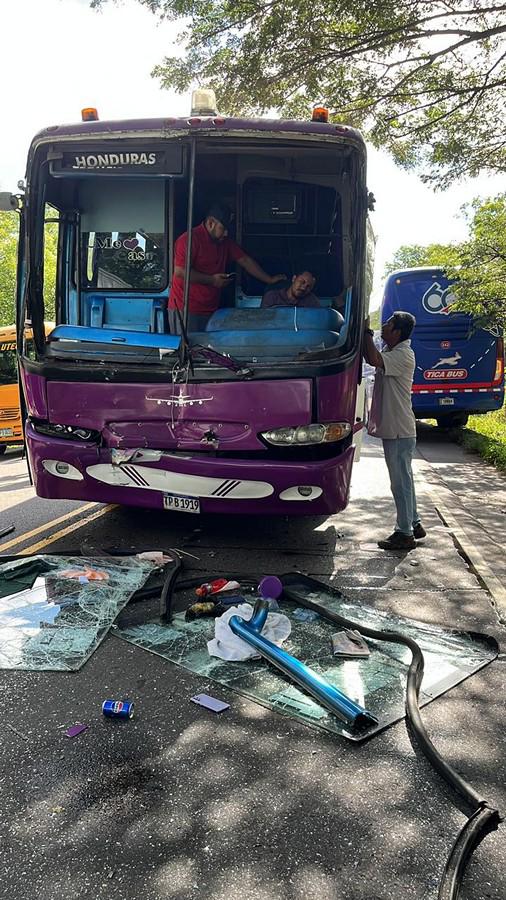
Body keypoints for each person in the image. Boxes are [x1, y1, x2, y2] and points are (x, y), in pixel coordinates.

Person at [168, 202, 286, 332]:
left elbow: (245, 260)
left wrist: (269, 279)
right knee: (188, 349)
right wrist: (212, 280)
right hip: (185, 309)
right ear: (211, 222)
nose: (226, 234)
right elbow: (180, 272)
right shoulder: (188, 239)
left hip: (211, 308)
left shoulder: (225, 243)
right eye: (223, 228)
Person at [363, 312, 426, 550]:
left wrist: (366, 331)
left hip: (399, 429)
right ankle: (414, 523)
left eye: (388, 324)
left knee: (399, 483)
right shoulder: (394, 351)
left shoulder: (402, 354)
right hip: (397, 428)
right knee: (404, 479)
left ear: (397, 331)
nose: (384, 327)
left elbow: (372, 358)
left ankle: (404, 533)